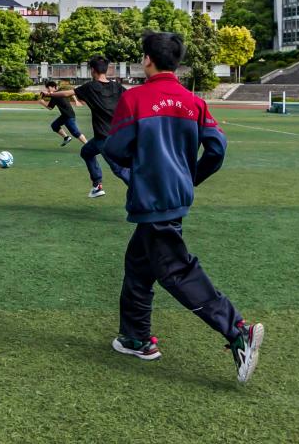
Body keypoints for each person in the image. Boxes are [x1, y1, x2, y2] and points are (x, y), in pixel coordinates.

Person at [103, 31, 264, 383]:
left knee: (175, 270)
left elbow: (114, 149)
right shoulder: (194, 101)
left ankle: (237, 330)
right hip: (175, 196)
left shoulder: (136, 99)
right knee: (138, 267)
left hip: (153, 199)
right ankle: (134, 337)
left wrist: (137, 172)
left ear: (148, 59)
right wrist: (189, 178)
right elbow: (217, 149)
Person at [43, 56, 128, 198]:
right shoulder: (118, 87)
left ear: (92, 70)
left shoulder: (90, 87)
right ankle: (97, 185)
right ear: (106, 70)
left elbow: (67, 93)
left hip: (105, 138)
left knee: (121, 171)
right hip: (115, 135)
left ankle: (148, 196)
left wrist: (50, 94)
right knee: (86, 152)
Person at [38, 80, 87, 147]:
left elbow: (50, 108)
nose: (48, 90)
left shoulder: (55, 96)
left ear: (54, 87)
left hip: (68, 116)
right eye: (47, 89)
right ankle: (66, 137)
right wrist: (76, 101)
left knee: (75, 133)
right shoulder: (60, 92)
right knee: (54, 125)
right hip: (65, 116)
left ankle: (88, 145)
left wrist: (42, 102)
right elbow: (71, 92)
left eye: (48, 88)